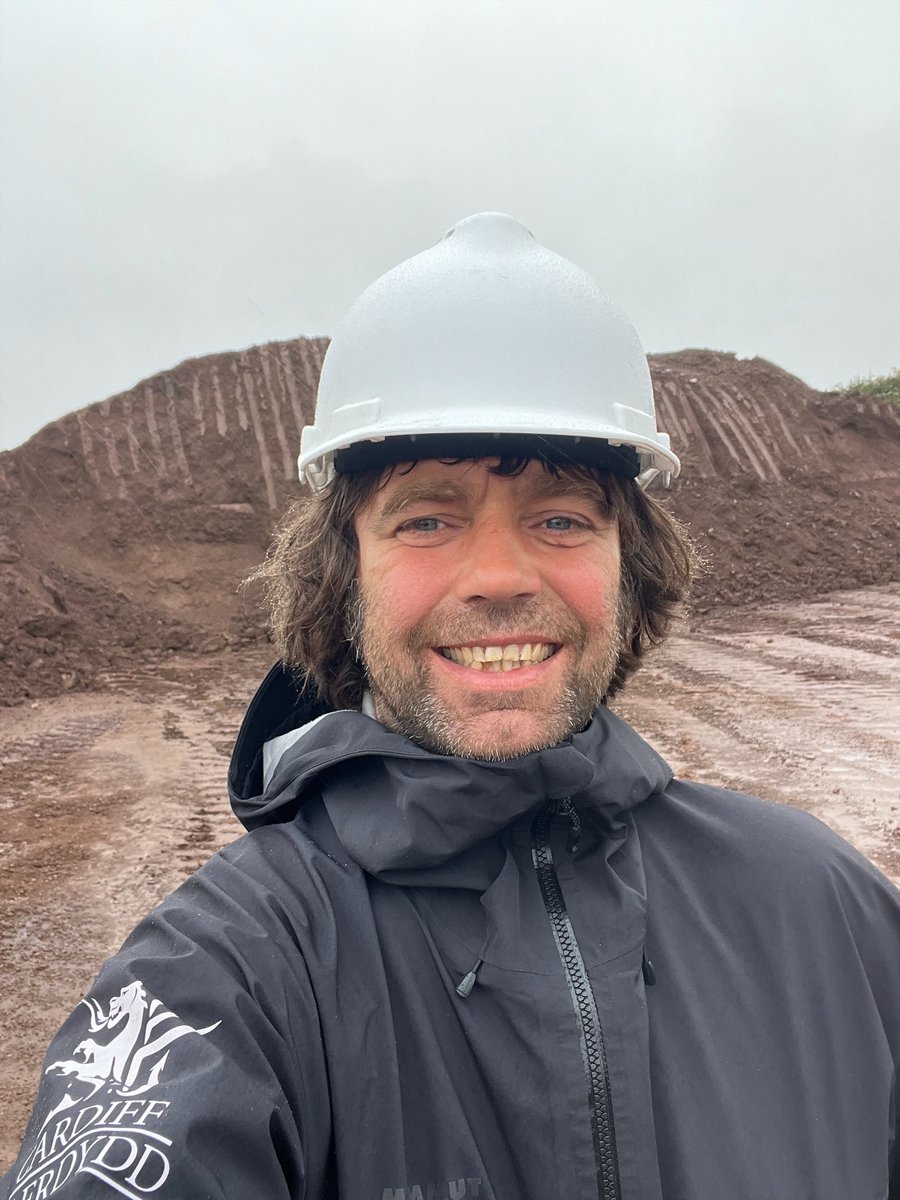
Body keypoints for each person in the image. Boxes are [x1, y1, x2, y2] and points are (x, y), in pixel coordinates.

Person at [3, 213, 898, 1200]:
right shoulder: (231, 968)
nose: (499, 576)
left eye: (561, 518)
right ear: (342, 577)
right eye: (428, 519)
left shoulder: (821, 906)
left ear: (630, 566)